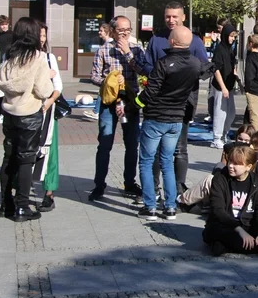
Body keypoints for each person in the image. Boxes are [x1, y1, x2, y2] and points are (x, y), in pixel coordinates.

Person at [140, 2, 210, 195]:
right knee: (154, 151)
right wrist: (159, 74)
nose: (171, 20)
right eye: (168, 16)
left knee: (180, 149)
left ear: (183, 17)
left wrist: (183, 75)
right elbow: (147, 65)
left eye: (175, 16)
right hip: (157, 103)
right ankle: (153, 188)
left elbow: (204, 68)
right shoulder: (157, 40)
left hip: (183, 103)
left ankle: (179, 189)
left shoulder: (194, 41)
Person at [135, 27, 203, 221]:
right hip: (176, 119)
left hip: (156, 117)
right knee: (167, 161)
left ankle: (150, 207)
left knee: (147, 161)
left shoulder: (163, 63)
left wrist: (136, 103)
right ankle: (170, 206)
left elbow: (150, 91)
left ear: (172, 42)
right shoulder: (194, 63)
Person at [0, 18, 55, 220]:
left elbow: (2, 80)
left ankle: (6, 204)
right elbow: (43, 89)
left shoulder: (10, 56)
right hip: (29, 113)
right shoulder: (37, 57)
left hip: (10, 113)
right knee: (26, 160)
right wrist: (49, 75)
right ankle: (22, 206)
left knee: (8, 156)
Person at [88, 16, 147, 201]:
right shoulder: (104, 50)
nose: (125, 33)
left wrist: (128, 53)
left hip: (130, 102)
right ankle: (99, 184)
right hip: (109, 103)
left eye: (128, 30)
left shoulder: (137, 49)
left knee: (132, 144)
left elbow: (143, 70)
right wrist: (109, 81)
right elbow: (94, 76)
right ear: (112, 31)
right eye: (121, 30)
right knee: (105, 144)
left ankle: (129, 182)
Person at [202, 145, 258, 256]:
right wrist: (239, 230)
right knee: (213, 231)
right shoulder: (220, 179)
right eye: (230, 162)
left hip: (248, 224)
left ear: (248, 166)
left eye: (236, 164)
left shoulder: (257, 182)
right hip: (226, 225)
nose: (231, 166)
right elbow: (218, 211)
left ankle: (229, 246)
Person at [177, 124, 255, 213]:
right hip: (228, 182)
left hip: (241, 188)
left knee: (210, 180)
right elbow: (222, 167)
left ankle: (182, 200)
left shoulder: (252, 154)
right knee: (217, 170)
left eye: (246, 141)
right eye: (240, 139)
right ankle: (196, 200)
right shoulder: (230, 149)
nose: (242, 143)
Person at [33, 23, 63, 213]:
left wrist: (49, 102)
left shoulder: (50, 58)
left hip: (47, 111)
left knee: (49, 152)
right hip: (26, 111)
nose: (42, 39)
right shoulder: (18, 57)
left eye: (44, 35)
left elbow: (58, 85)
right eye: (39, 35)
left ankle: (49, 193)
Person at [211, 24, 239, 149]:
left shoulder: (230, 49)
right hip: (220, 86)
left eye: (234, 36)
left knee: (231, 113)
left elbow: (232, 67)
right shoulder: (220, 49)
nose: (232, 38)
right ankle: (217, 138)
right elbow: (216, 69)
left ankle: (224, 134)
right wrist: (222, 87)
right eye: (231, 36)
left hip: (229, 85)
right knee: (220, 112)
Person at [84, 22, 112, 121]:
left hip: (109, 78)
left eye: (101, 31)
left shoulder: (106, 47)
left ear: (107, 32)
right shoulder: (105, 46)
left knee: (103, 92)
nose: (99, 32)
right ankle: (97, 111)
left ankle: (97, 111)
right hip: (108, 79)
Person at [0, 15, 13, 123]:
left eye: (5, 24)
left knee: (6, 89)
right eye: (1, 25)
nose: (4, 26)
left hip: (9, 65)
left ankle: (4, 112)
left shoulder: (12, 35)